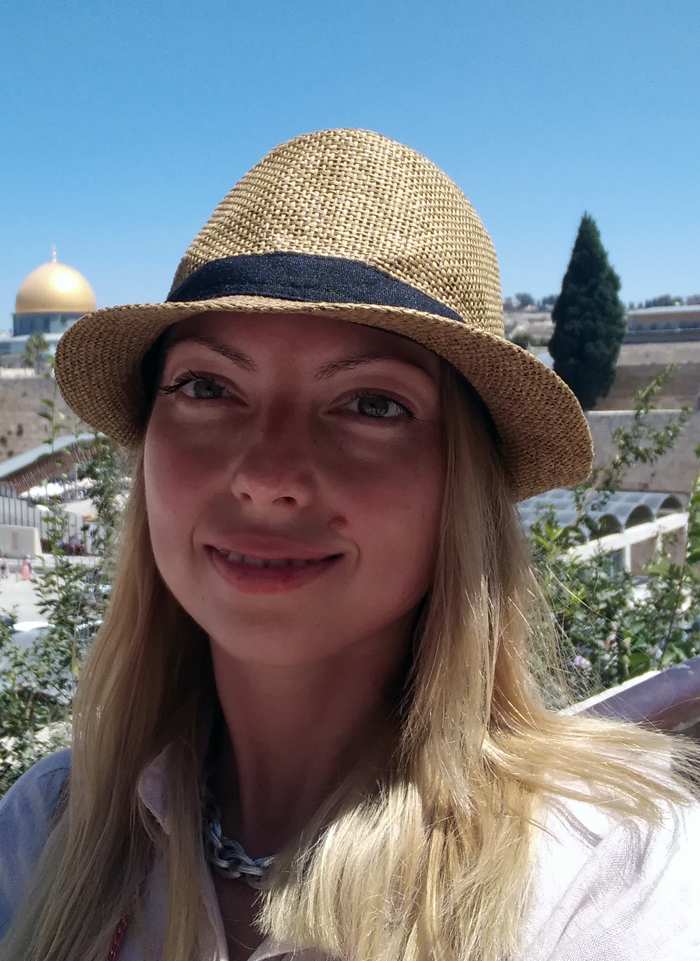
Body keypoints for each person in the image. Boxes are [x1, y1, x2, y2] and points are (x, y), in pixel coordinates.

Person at [0, 129, 698, 961]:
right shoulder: (44, 830)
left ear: (460, 486)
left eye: (372, 404)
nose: (267, 477)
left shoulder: (605, 870)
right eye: (207, 387)